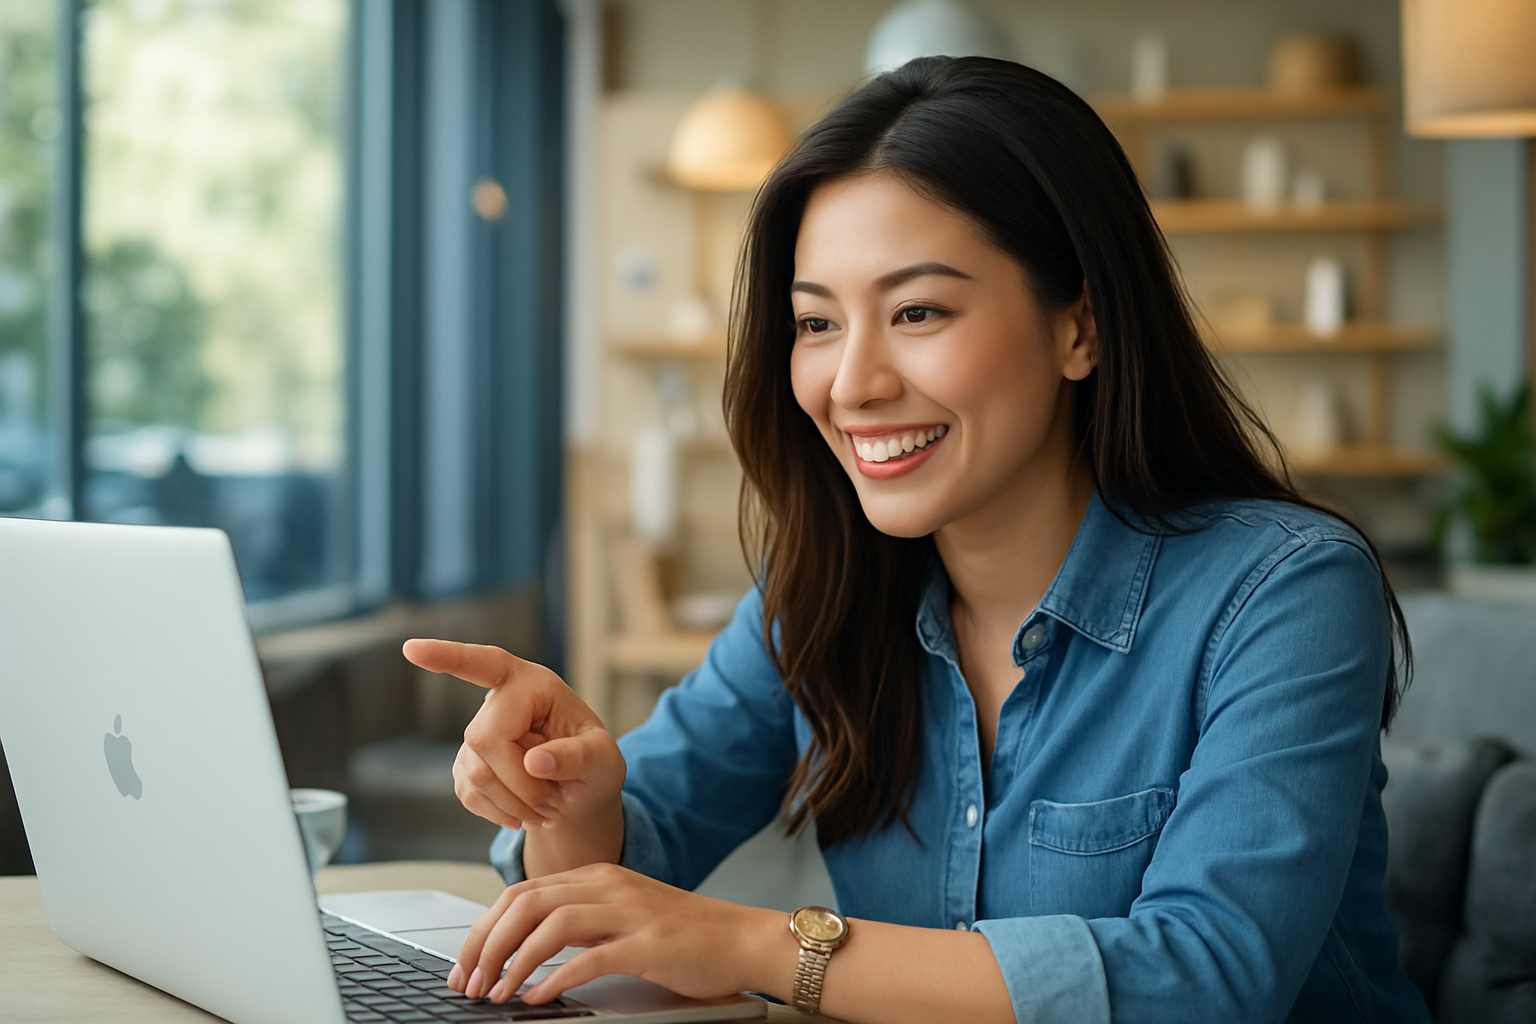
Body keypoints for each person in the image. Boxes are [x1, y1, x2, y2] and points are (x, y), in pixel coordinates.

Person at [402, 57, 1431, 1023]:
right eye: (816, 323)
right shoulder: (819, 591)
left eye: (919, 310)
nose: (852, 384)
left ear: (1082, 325)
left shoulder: (1283, 592)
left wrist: (766, 948)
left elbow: (1209, 976)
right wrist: (563, 795)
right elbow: (640, 845)